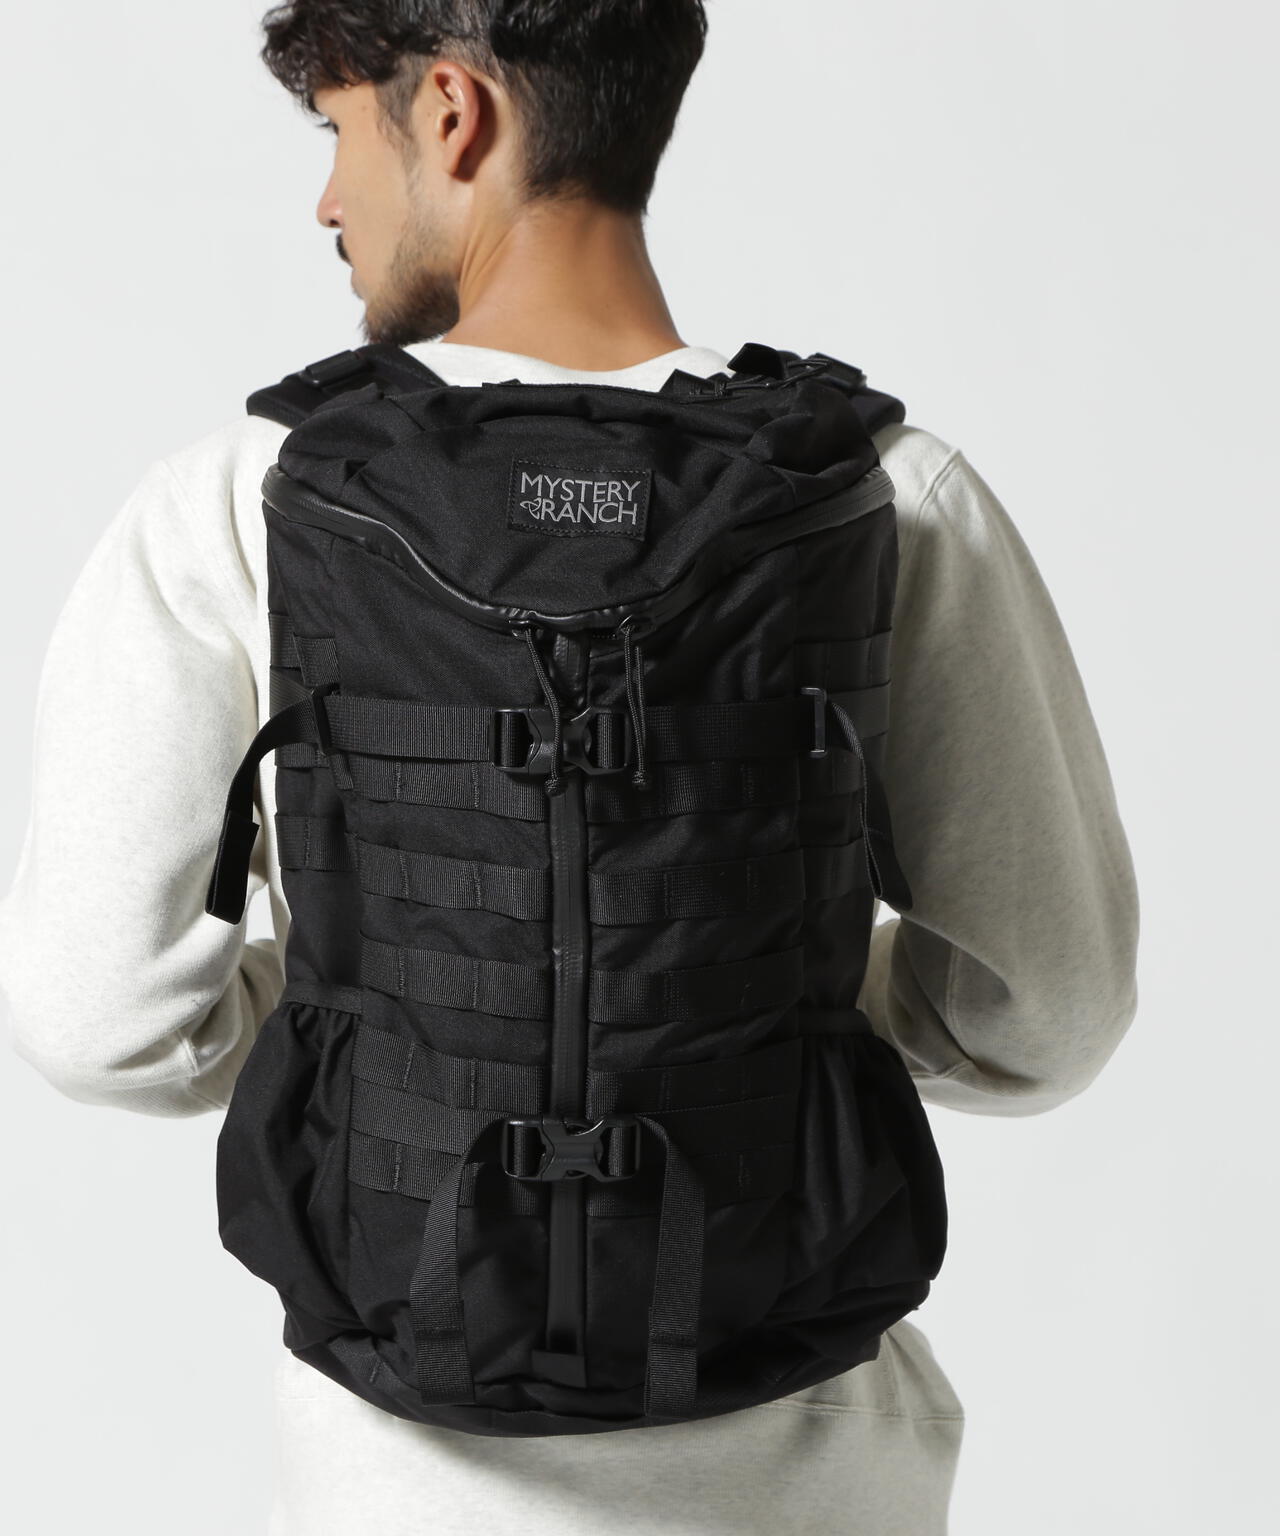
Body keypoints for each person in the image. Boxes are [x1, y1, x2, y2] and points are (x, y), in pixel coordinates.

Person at [0, 3, 1140, 1533]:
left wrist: (359, 1003)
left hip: (401, 1468)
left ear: (452, 113)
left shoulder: (242, 495)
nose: (327, 200)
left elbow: (96, 1020)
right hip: (814, 1459)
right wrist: (760, 1006)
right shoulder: (885, 488)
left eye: (341, 135)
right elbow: (1048, 1014)